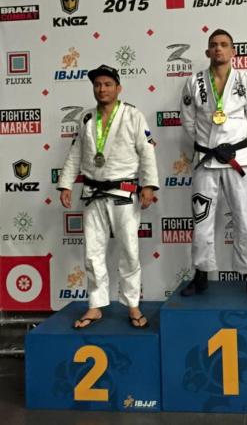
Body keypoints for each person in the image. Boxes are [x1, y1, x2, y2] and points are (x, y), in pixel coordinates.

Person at [58, 64, 159, 328]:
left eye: (107, 84)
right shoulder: (86, 118)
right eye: (97, 85)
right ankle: (95, 305)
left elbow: (147, 151)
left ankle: (133, 305)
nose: (102, 89)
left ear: (118, 88)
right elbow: (75, 153)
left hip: (124, 192)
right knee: (92, 252)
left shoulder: (133, 115)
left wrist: (149, 185)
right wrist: (66, 184)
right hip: (93, 192)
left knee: (129, 250)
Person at [179, 29, 247, 297]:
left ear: (233, 51)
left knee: (244, 217)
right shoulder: (194, 81)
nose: (219, 48)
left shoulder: (245, 80)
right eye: (214, 45)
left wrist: (239, 145)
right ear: (208, 51)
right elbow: (188, 119)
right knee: (202, 217)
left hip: (236, 159)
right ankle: (201, 272)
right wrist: (206, 144)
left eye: (224, 44)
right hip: (206, 159)